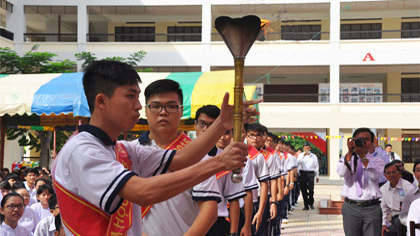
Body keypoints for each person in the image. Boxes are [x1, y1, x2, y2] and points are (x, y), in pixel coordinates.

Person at [52, 60, 258, 235]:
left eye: (138, 97)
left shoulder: (122, 149)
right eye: (130, 96)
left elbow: (182, 159)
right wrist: (220, 161)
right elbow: (141, 192)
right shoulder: (82, 151)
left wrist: (222, 123)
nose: (138, 106)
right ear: (101, 101)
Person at [139, 81, 221, 235]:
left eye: (171, 106)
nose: (163, 112)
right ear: (146, 111)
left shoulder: (197, 155)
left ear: (181, 110)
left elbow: (209, 209)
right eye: (156, 106)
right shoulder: (129, 151)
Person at [193, 105, 246, 236]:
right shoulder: (181, 155)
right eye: (202, 123)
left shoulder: (227, 158)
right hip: (188, 220)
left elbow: (233, 198)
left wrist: (233, 232)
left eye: (211, 125)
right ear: (195, 125)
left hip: (217, 222)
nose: (205, 129)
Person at [337, 127, 385, 236]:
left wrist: (362, 156)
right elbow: (341, 172)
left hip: (371, 207)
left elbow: (374, 175)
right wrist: (350, 153)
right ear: (353, 141)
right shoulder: (347, 158)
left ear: (372, 142)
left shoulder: (377, 160)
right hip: (351, 207)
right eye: (359, 139)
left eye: (367, 139)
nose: (363, 142)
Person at [245, 123, 279, 235]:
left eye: (258, 135)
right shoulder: (240, 152)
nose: (255, 138)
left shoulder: (267, 156)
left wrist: (274, 201)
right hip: (240, 200)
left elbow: (273, 180)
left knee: (259, 230)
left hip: (259, 198)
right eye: (252, 135)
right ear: (246, 136)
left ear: (263, 137)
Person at [380, 162, 415, 236]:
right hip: (394, 219)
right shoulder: (383, 189)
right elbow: (384, 210)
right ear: (385, 176)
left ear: (399, 173)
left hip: (408, 218)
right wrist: (383, 225)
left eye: (394, 172)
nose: (391, 175)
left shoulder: (408, 187)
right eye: (388, 173)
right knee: (386, 232)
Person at [297, 142, 319, 210]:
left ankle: (311, 202)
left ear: (310, 148)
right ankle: (306, 205)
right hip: (303, 173)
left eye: (308, 148)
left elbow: (316, 166)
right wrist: (303, 155)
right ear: (303, 148)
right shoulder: (300, 155)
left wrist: (317, 175)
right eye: (305, 148)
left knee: (311, 189)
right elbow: (297, 162)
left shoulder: (313, 156)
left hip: (311, 173)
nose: (307, 149)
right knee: (303, 189)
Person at [400, 159, 420, 229]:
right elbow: (403, 216)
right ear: (414, 174)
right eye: (418, 170)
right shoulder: (410, 195)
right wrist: (413, 223)